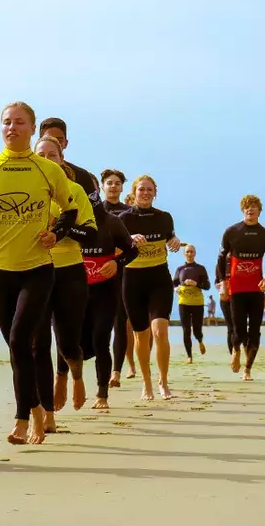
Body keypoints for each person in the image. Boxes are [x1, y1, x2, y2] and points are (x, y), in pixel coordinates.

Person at [0, 101, 86, 445]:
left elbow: (72, 209)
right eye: (6, 122)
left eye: (19, 122)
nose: (12, 127)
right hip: (0, 272)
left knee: (22, 341)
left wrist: (57, 234)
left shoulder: (48, 170)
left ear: (32, 129)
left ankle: (21, 418)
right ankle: (37, 409)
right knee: (16, 347)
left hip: (38, 270)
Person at [34, 135, 97, 421]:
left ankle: (74, 374)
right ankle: (46, 412)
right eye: (41, 155)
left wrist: (61, 228)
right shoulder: (28, 191)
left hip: (69, 271)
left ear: (62, 161)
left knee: (68, 343)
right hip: (33, 270)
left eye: (53, 155)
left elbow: (91, 234)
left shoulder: (74, 191)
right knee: (37, 343)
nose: (47, 160)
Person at [119, 175, 183, 400]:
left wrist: (174, 240)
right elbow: (115, 245)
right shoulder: (124, 218)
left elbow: (171, 238)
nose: (145, 193)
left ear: (155, 192)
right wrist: (129, 238)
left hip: (159, 279)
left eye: (149, 190)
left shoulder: (164, 217)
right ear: (134, 192)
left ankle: (163, 382)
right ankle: (146, 382)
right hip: (132, 280)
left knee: (160, 331)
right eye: (141, 189)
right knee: (141, 336)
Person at [79, 189, 138, 409]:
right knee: (78, 345)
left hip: (106, 289)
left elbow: (132, 251)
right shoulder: (71, 221)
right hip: (77, 290)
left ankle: (102, 393)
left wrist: (117, 263)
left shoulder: (111, 222)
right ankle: (74, 377)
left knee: (101, 338)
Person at [217, 195, 265, 380]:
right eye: (247, 207)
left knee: (255, 330)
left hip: (256, 289)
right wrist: (224, 285)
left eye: (254, 207)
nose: (250, 210)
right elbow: (220, 259)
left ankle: (248, 369)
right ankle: (236, 350)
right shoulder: (232, 231)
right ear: (243, 210)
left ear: (259, 210)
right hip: (237, 288)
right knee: (238, 328)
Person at [100, 169, 137, 385]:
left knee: (120, 321)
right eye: (109, 183)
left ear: (122, 187)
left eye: (117, 183)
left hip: (123, 271)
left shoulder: (129, 212)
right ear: (103, 186)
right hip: (96, 271)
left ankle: (116, 371)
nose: (113, 187)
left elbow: (134, 244)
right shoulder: (95, 211)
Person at [173, 244, 211, 362]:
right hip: (183, 302)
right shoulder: (179, 269)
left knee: (197, 329)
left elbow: (207, 286)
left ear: (195, 254)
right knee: (186, 330)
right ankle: (189, 356)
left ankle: (200, 340)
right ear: (184, 254)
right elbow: (174, 283)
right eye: (187, 252)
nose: (189, 254)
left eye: (192, 252)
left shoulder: (200, 268)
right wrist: (176, 288)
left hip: (197, 303)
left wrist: (196, 284)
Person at [39, 117, 96, 194]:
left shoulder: (81, 176)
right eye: (49, 139)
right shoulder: (25, 171)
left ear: (66, 143)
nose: (54, 143)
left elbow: (96, 206)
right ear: (39, 142)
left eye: (59, 140)